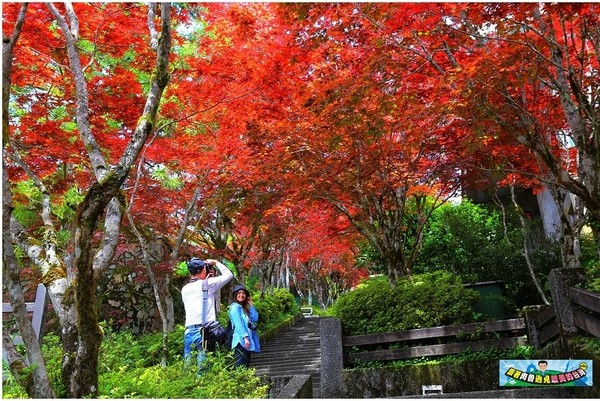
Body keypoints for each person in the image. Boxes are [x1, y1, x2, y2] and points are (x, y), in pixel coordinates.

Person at [181, 257, 233, 372]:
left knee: (188, 369)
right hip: (204, 332)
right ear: (204, 269)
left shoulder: (184, 289)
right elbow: (229, 275)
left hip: (188, 331)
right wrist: (215, 262)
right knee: (202, 369)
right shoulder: (208, 284)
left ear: (190, 272)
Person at [228, 284, 260, 368]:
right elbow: (238, 323)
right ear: (235, 295)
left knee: (245, 366)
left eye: (243, 293)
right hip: (241, 341)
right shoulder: (234, 307)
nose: (241, 295)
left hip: (247, 341)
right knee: (241, 367)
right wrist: (245, 337)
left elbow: (255, 318)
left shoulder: (244, 309)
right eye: (239, 293)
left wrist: (251, 305)